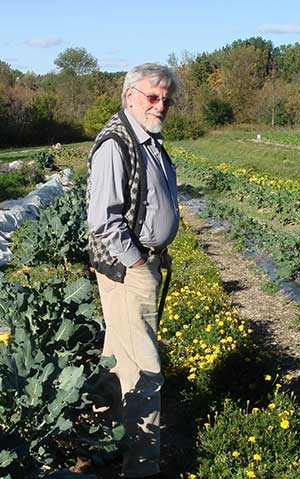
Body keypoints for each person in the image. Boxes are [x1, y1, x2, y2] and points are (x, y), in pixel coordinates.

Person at [86, 63, 179, 478]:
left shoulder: (149, 139)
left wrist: (160, 247)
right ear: (130, 96)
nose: (160, 105)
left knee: (118, 357)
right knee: (145, 368)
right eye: (152, 97)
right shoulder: (117, 144)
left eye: (166, 99)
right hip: (128, 270)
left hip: (144, 260)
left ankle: (101, 440)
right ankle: (142, 467)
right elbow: (104, 221)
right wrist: (139, 261)